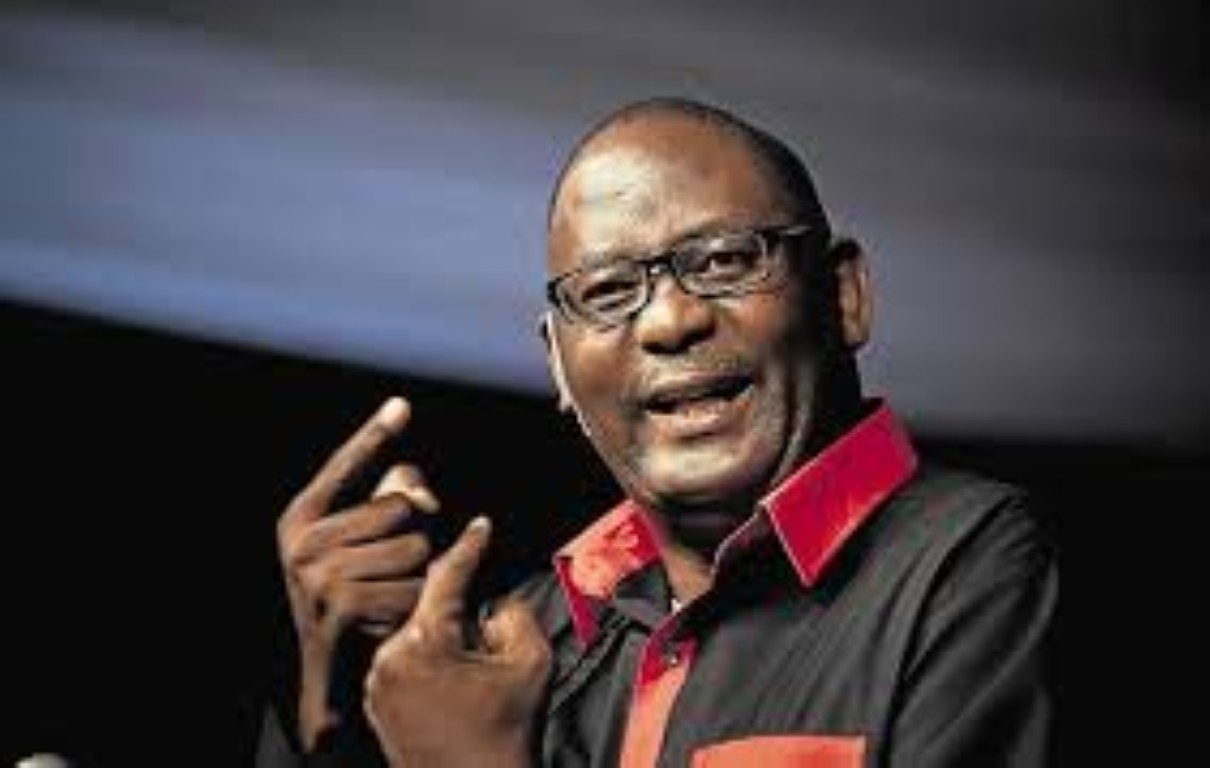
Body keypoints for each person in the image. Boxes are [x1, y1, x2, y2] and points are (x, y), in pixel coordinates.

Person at [258, 97, 1058, 767]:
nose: (671, 322)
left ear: (842, 296)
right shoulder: (515, 644)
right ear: (557, 365)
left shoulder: (983, 564)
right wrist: (332, 702)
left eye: (725, 261)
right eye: (608, 291)